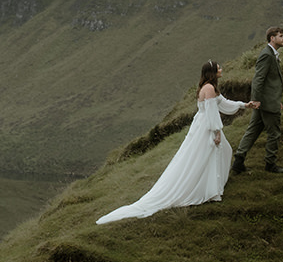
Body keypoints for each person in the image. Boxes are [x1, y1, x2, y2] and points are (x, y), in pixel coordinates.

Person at [96, 60, 259, 225]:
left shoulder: (210, 87)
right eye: (218, 68)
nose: (221, 70)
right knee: (206, 155)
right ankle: (208, 190)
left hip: (205, 125)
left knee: (218, 152)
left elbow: (223, 103)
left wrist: (244, 105)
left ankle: (211, 188)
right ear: (212, 72)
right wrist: (216, 132)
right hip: (206, 127)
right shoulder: (209, 88)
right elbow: (211, 111)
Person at [231, 25, 283, 174]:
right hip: (265, 103)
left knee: (253, 130)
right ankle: (270, 164)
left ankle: (238, 162)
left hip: (267, 101)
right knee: (274, 133)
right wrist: (255, 99)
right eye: (280, 36)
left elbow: (269, 82)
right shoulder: (267, 55)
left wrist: (275, 99)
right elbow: (258, 80)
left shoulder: (271, 54)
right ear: (272, 38)